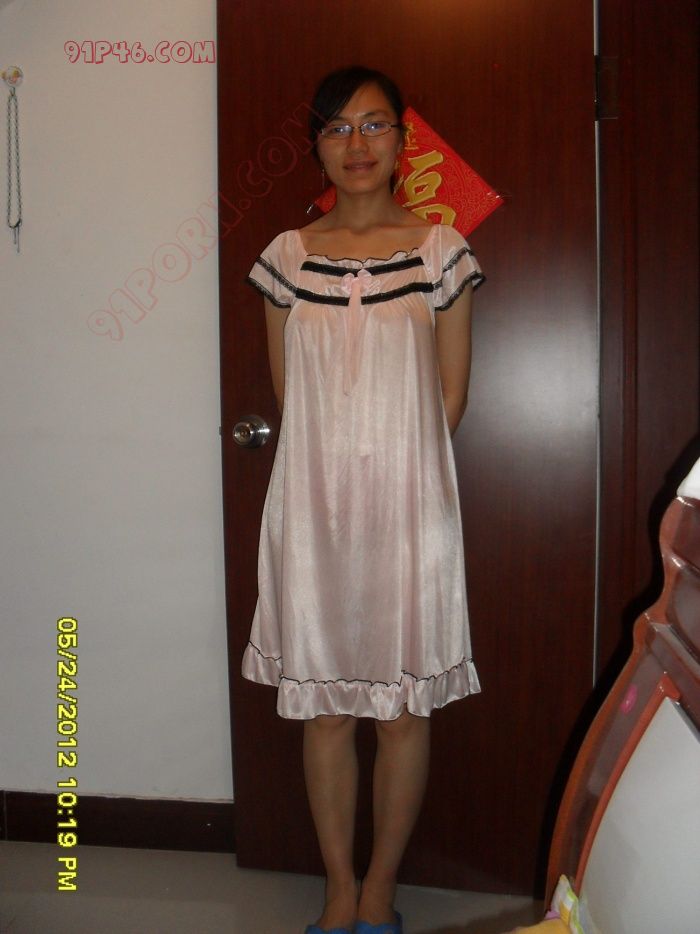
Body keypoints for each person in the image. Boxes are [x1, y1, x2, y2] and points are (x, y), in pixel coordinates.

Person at [242, 65, 484, 934]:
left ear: (402, 142)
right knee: (327, 710)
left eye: (375, 125)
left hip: (410, 514)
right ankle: (338, 888)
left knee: (404, 713)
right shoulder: (286, 257)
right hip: (313, 514)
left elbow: (450, 398)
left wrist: (396, 485)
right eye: (338, 128)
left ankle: (380, 889)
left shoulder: (441, 251)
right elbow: (289, 397)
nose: (357, 144)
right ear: (316, 145)